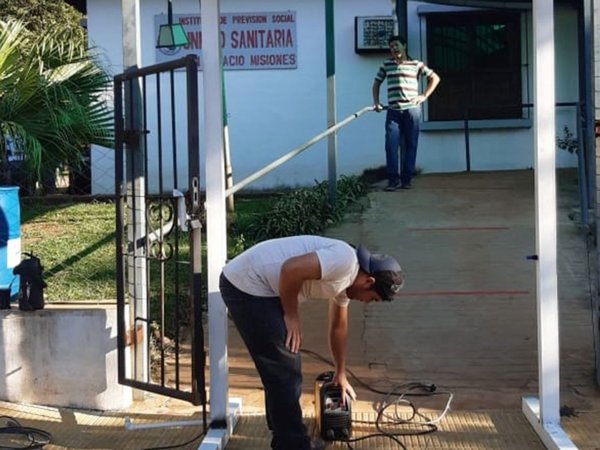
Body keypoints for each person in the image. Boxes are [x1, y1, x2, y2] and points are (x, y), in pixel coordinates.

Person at [219, 235, 404, 450]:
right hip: (247, 284)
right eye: (371, 298)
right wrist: (291, 315)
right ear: (368, 281)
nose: (366, 303)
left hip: (262, 287)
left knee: (281, 368)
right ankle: (292, 444)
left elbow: (338, 328)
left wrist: (340, 373)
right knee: (285, 371)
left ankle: (284, 433)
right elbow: (290, 269)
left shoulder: (348, 281)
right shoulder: (344, 261)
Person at [372, 35, 440, 191]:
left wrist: (423, 96)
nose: (394, 48)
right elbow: (376, 83)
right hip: (393, 112)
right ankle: (393, 181)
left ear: (404, 46)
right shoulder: (386, 65)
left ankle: (407, 179)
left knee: (411, 145)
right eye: (391, 46)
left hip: (412, 111)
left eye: (396, 45)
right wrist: (376, 102)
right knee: (391, 146)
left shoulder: (416, 64)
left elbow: (435, 78)